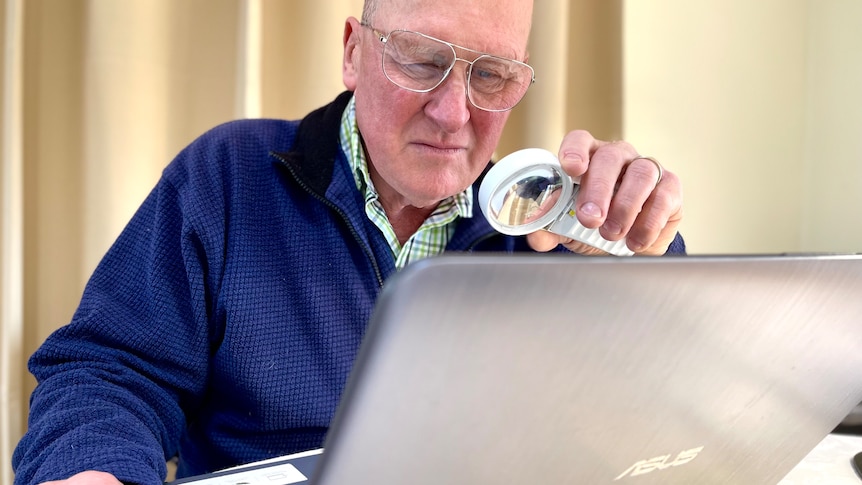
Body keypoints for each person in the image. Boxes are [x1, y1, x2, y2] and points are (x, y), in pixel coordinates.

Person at [12, 0, 685, 484]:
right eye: (423, 62)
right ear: (353, 53)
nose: (454, 115)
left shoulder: (550, 226)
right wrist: (91, 466)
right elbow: (111, 374)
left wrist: (640, 249)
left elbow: (669, 399)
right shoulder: (226, 177)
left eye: (491, 77)